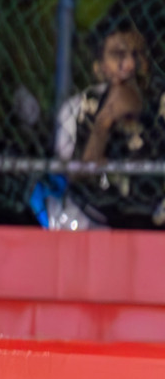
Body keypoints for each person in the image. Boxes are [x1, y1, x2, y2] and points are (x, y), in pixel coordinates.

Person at [52, 18, 165, 228]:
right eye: (118, 56)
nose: (130, 65)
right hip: (95, 218)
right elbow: (77, 175)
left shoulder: (161, 104)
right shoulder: (79, 108)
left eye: (137, 54)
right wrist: (105, 121)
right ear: (100, 68)